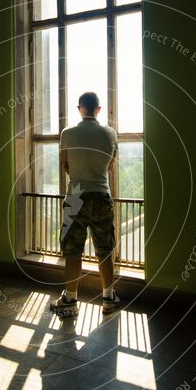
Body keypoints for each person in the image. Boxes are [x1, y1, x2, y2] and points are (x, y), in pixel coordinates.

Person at [50, 91, 120, 315]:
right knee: (104, 249)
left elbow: (65, 165)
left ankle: (70, 299)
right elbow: (111, 165)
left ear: (79, 108)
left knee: (73, 250)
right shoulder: (111, 133)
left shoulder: (67, 133)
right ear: (99, 109)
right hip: (101, 195)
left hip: (76, 196)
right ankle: (108, 298)